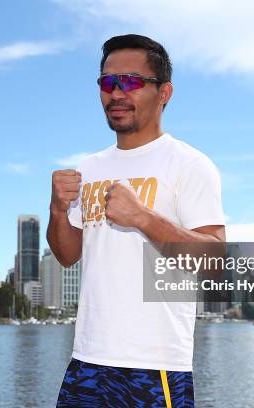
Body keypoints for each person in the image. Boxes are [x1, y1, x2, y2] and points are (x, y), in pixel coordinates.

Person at [48, 34, 226, 407]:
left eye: (130, 81)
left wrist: (143, 217)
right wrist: (57, 210)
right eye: (108, 82)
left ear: (164, 93)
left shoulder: (189, 164)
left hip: (155, 364)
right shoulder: (90, 166)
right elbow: (67, 255)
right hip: (87, 359)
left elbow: (214, 263)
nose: (116, 93)